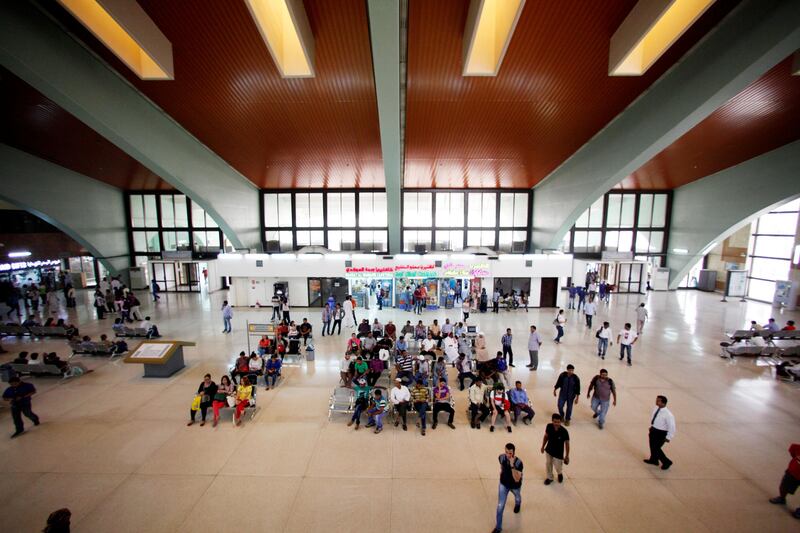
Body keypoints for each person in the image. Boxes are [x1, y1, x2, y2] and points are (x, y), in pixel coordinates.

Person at [493, 443, 523, 533]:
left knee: (517, 496)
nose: (508, 455)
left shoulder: (518, 463)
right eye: (506, 452)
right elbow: (501, 466)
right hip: (504, 484)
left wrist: (512, 465)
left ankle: (518, 504)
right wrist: (502, 472)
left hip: (515, 486)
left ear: (514, 453)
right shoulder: (501, 457)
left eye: (510, 453)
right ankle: (498, 527)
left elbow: (517, 479)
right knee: (500, 506)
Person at [768, 443, 800, 519]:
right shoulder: (797, 447)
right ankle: (782, 498)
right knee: (784, 487)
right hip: (792, 473)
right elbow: (792, 451)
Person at [644, 395, 676, 470]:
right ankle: (654, 460)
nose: (656, 401)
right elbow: (655, 418)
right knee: (652, 446)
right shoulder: (656, 408)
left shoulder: (668, 414)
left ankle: (666, 462)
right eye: (656, 400)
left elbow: (672, 427)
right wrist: (652, 426)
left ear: (663, 403)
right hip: (654, 430)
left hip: (661, 433)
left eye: (658, 401)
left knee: (656, 448)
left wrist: (669, 437)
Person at [541, 413, 570, 485]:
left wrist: (567, 456)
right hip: (549, 450)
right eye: (555, 422)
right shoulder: (549, 426)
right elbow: (546, 437)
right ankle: (549, 478)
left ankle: (559, 473)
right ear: (552, 421)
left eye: (558, 422)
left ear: (560, 422)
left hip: (558, 453)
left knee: (558, 466)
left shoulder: (564, 431)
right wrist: (542, 446)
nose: (557, 423)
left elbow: (567, 444)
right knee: (548, 464)